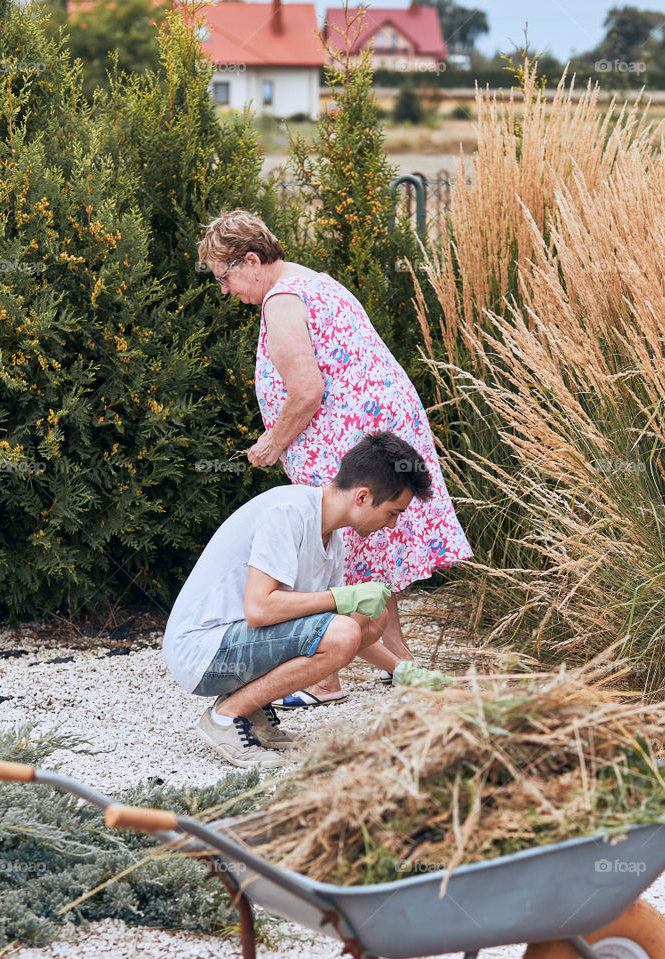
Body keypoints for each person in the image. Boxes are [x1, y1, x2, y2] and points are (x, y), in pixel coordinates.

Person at [196, 209, 472, 707]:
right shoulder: (316, 281)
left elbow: (305, 391)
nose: (224, 289)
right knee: (372, 557)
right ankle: (402, 670)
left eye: (224, 276)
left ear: (252, 261)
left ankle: (326, 679)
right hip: (381, 431)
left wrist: (272, 443)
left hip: (345, 441)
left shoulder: (281, 301)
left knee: (343, 555)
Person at [162, 433, 432, 768]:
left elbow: (339, 630)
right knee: (344, 629)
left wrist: (402, 669)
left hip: (233, 643)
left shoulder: (332, 540)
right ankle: (225, 717)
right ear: (363, 496)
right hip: (201, 651)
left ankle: (253, 715)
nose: (392, 524)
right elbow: (259, 610)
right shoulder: (288, 512)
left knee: (370, 620)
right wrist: (340, 597)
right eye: (393, 513)